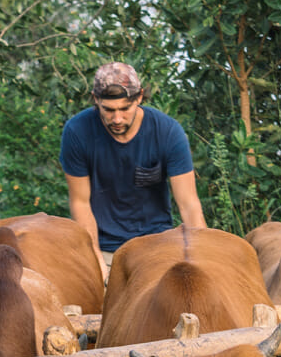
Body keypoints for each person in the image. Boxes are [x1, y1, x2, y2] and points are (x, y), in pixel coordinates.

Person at [60, 62, 204, 273]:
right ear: (96, 99)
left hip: (157, 246)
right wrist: (96, 260)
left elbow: (189, 205)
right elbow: (80, 203)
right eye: (108, 110)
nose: (117, 119)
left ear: (139, 97)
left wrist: (203, 258)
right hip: (104, 249)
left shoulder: (168, 132)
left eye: (125, 109)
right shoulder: (77, 132)